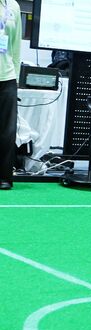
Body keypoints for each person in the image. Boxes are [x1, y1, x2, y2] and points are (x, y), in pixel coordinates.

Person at [0, 0, 21, 190]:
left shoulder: (13, 5)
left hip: (6, 77)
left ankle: (4, 176)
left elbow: (15, 46)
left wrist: (16, 76)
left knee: (7, 132)